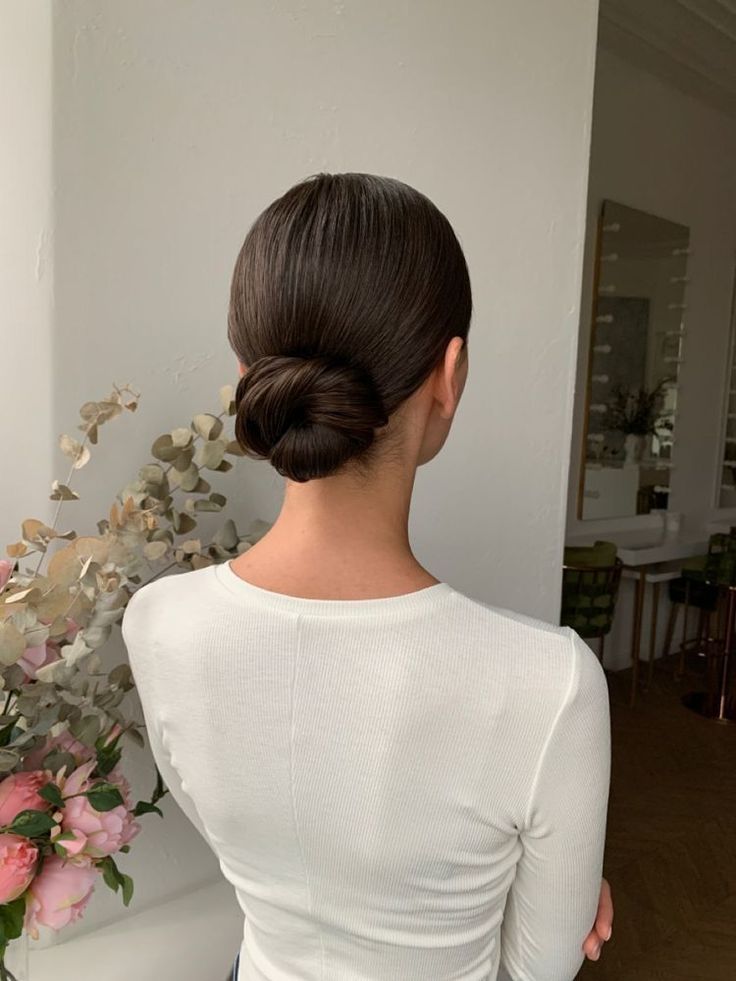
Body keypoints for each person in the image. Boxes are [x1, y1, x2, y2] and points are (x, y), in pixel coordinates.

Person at [122, 172, 613, 981]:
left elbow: (249, 834)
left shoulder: (160, 622)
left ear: (248, 370)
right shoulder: (551, 683)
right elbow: (539, 972)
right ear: (449, 376)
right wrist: (546, 893)